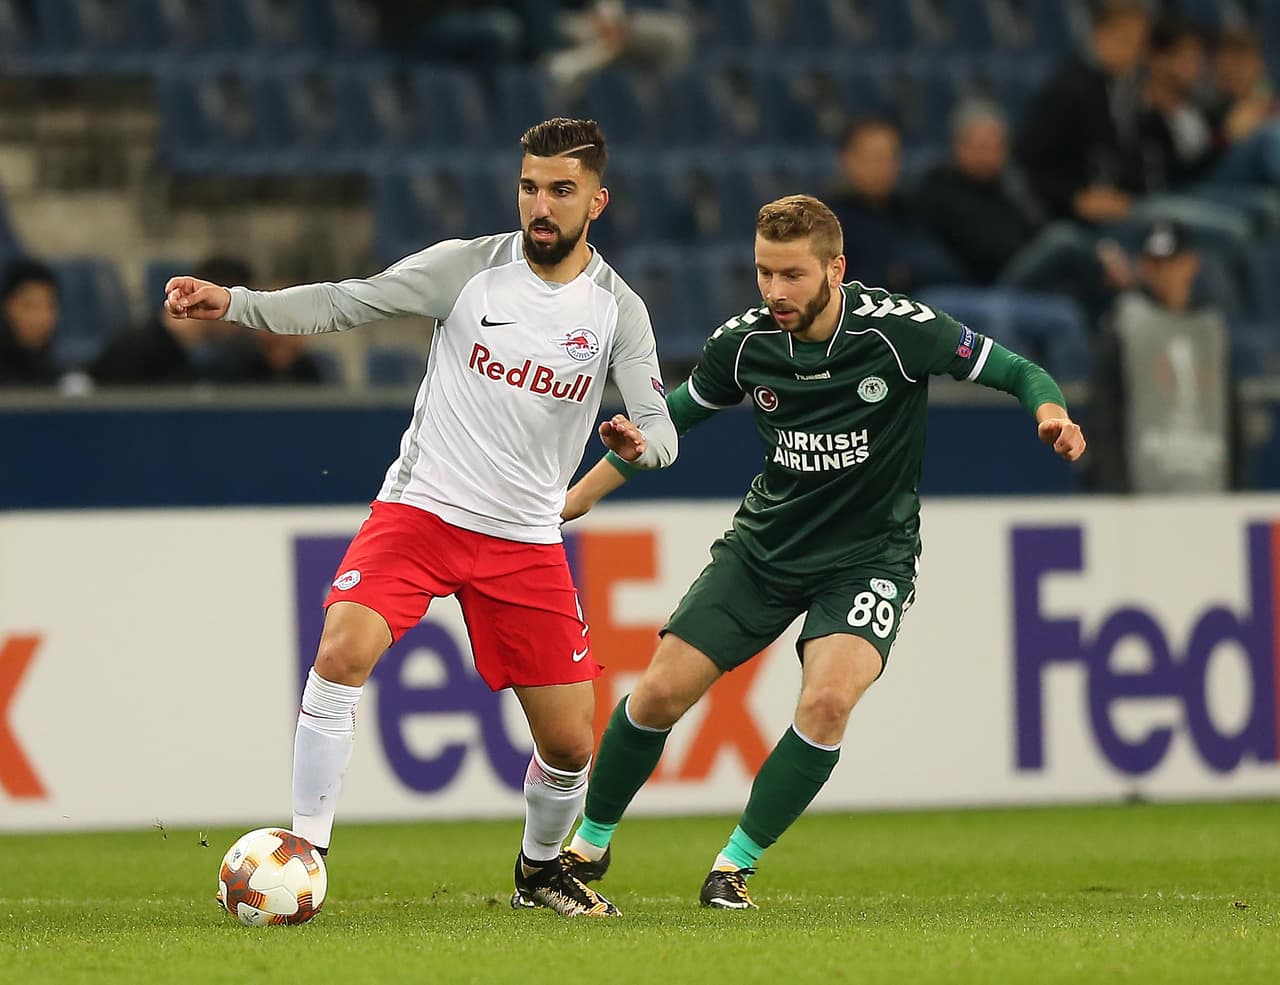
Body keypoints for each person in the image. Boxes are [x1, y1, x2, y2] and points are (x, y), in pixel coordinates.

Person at [165, 118, 677, 917]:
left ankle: (540, 871)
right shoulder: (467, 270)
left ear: (596, 202)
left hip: (525, 537)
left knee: (573, 743)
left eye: (561, 191)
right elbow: (346, 302)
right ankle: (306, 850)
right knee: (342, 647)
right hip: (423, 510)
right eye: (531, 186)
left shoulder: (617, 311)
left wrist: (634, 442)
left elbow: (664, 431)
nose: (540, 205)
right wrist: (237, 303)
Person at [556, 195, 1085, 909]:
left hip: (869, 557)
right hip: (765, 550)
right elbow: (671, 418)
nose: (775, 292)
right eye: (764, 273)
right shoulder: (744, 343)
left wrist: (1049, 411)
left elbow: (1017, 369)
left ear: (837, 268)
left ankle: (733, 865)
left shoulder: (901, 331)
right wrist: (579, 496)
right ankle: (588, 842)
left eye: (793, 275)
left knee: (830, 699)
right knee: (656, 694)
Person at [1088, 220, 1243, 493]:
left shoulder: (1211, 328)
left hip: (1210, 485)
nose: (1163, 272)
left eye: (1172, 262)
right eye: (1154, 263)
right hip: (1143, 490)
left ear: (1191, 263)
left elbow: (1232, 413)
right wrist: (1115, 488)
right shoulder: (1125, 323)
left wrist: (1238, 489)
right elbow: (1105, 412)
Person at [1015, 0, 1150, 225]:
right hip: (1070, 218)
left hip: (1122, 203)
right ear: (1099, 36)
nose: (1135, 51)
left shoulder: (1126, 89)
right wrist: (1074, 198)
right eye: (1126, 40)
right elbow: (1029, 160)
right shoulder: (1069, 89)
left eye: (1140, 43)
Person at [826, 117, 958, 294]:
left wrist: (904, 272)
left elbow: (945, 268)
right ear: (846, 160)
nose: (883, 166)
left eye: (891, 157)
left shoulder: (911, 210)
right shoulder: (828, 222)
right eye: (874, 158)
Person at [91, 256, 251, 386]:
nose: (240, 324)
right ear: (210, 301)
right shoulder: (133, 351)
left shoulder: (188, 358)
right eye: (237, 309)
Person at [0, 257, 60, 386]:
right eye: (29, 306)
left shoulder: (49, 368)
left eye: (50, 306)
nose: (41, 317)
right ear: (6, 306)